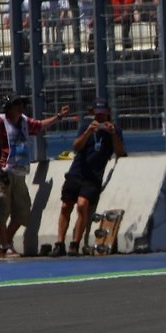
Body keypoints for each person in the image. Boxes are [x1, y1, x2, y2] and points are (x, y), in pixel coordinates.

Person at [0, 94, 72, 258]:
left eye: (22, 104)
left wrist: (58, 117)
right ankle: (6, 246)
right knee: (1, 209)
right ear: (8, 108)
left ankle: (4, 243)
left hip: (20, 171)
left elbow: (39, 125)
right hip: (2, 173)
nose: (21, 107)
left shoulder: (24, 121)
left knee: (23, 211)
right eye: (17, 105)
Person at [53, 98, 125, 257]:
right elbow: (76, 147)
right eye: (97, 115)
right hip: (77, 171)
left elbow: (120, 152)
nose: (99, 119)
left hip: (94, 176)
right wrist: (87, 133)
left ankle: (75, 243)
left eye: (102, 115)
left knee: (82, 204)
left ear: (108, 113)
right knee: (66, 205)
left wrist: (112, 134)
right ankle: (59, 243)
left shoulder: (115, 130)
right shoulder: (86, 127)